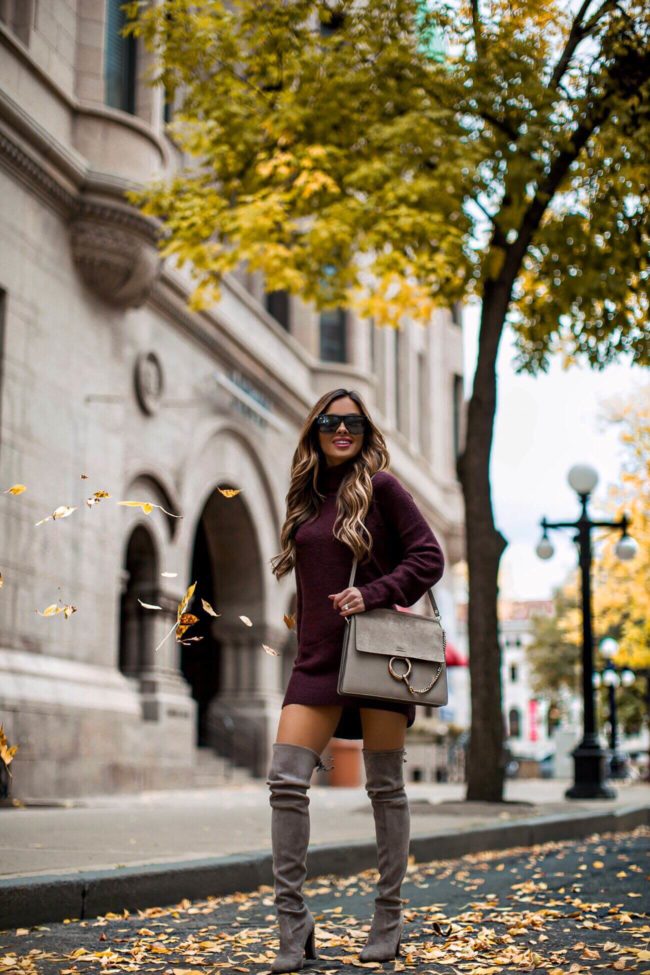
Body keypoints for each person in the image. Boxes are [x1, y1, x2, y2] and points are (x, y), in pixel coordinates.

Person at [267, 387, 445, 972]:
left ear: (367, 432)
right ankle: (294, 925)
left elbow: (427, 559)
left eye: (354, 423)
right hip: (316, 659)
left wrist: (371, 593)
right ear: (314, 429)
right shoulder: (307, 495)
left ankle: (387, 919)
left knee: (385, 787)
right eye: (330, 421)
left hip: (376, 657)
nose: (342, 430)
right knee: (287, 781)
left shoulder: (384, 488)